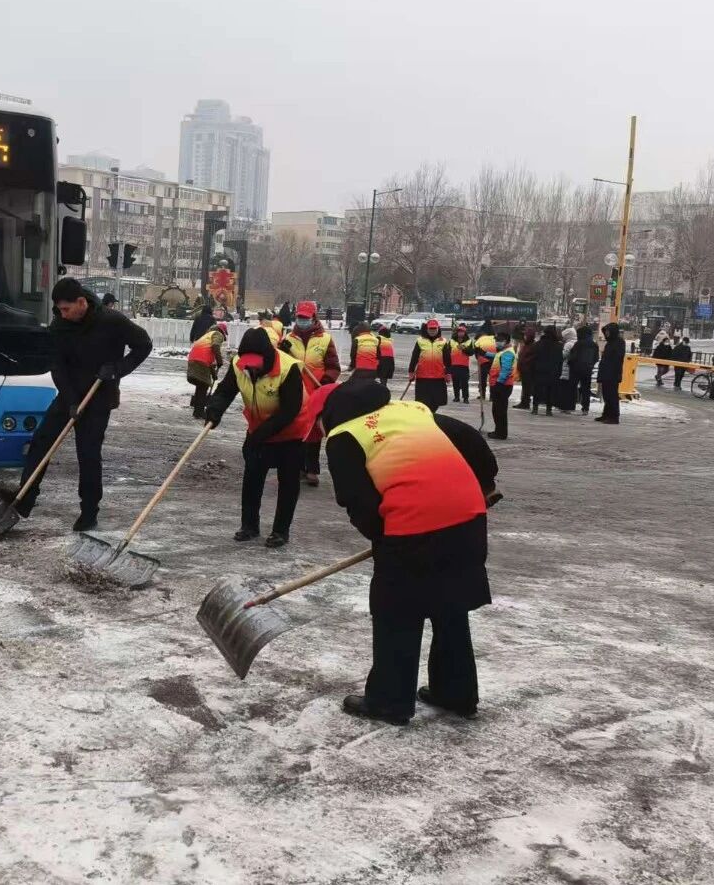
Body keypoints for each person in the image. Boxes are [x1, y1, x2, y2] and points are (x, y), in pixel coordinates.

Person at [322, 377, 499, 726]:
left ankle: (389, 702)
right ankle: (456, 694)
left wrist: (384, 537)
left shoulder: (343, 436)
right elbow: (470, 440)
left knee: (397, 612)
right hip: (468, 518)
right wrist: (483, 485)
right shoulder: (413, 411)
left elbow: (357, 501)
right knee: (451, 605)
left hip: (412, 525)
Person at [2, 278, 152, 531]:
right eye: (59, 309)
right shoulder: (60, 326)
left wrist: (118, 369)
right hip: (68, 395)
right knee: (41, 441)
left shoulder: (111, 321)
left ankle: (89, 512)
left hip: (98, 397)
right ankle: (24, 499)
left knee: (88, 453)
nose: (62, 314)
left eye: (66, 309)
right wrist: (71, 401)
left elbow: (144, 345)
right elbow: (57, 366)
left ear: (81, 302)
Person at [205, 328, 311, 548]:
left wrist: (258, 436)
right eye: (248, 363)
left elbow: (289, 411)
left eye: (255, 363)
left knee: (288, 483)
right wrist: (214, 410)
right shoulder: (239, 364)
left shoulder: (288, 368)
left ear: (267, 356)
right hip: (258, 427)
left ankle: (280, 531)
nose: (251, 368)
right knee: (252, 477)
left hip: (292, 431)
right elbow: (225, 391)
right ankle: (249, 526)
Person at [282, 301, 341, 486]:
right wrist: (281, 352)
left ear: (314, 318)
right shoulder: (289, 339)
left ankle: (312, 469)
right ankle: (298, 467)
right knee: (296, 431)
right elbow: (280, 364)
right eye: (300, 317)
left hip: (316, 391)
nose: (302, 320)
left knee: (314, 432)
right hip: (295, 392)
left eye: (306, 318)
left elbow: (333, 366)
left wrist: (326, 381)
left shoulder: (325, 339)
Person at [186, 321, 227, 419]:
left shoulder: (206, 336)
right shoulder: (217, 334)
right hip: (201, 361)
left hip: (193, 360)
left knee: (201, 385)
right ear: (222, 331)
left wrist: (213, 374)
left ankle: (197, 410)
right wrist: (220, 361)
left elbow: (208, 357)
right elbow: (215, 346)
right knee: (203, 386)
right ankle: (199, 411)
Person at [408, 319, 451, 412]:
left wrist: (448, 373)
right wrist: (411, 372)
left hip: (438, 377)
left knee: (436, 401)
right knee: (423, 401)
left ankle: (432, 414)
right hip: (423, 377)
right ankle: (426, 416)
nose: (432, 331)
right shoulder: (420, 341)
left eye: (434, 329)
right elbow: (414, 357)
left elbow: (447, 359)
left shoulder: (443, 342)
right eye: (430, 329)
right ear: (426, 329)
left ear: (438, 329)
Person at [487, 331, 517, 440]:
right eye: (496, 340)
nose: (497, 342)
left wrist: (499, 383)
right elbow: (496, 356)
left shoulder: (508, 353)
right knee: (497, 410)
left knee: (500, 411)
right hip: (500, 384)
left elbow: (506, 370)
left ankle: (501, 433)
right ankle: (499, 431)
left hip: (502, 385)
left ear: (506, 341)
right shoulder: (503, 351)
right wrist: (484, 353)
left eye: (500, 340)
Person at [530, 325, 564, 416]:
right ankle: (549, 410)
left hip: (539, 370)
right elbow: (560, 360)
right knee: (550, 391)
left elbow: (533, 358)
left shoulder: (538, 344)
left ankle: (535, 408)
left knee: (537, 389)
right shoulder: (558, 345)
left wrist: (533, 370)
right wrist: (559, 372)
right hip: (553, 371)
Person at [596, 323, 625, 423]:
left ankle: (614, 416)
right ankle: (606, 414)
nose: (607, 333)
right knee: (606, 395)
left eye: (608, 332)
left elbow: (617, 358)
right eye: (606, 332)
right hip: (606, 372)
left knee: (612, 395)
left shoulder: (619, 342)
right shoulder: (609, 343)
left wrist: (610, 369)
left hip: (613, 373)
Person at [568, 325, 599, 415]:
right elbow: (596, 358)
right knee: (586, 389)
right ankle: (585, 408)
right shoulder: (594, 345)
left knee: (572, 388)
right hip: (588, 369)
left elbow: (573, 356)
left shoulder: (578, 344)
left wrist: (571, 363)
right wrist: (591, 365)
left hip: (576, 369)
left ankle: (570, 406)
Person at [449, 324, 474, 403]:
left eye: (462, 332)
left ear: (465, 333)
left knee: (464, 383)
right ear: (457, 332)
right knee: (455, 382)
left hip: (464, 365)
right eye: (459, 331)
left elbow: (471, 352)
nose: (460, 333)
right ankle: (456, 397)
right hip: (454, 365)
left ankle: (465, 398)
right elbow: (447, 352)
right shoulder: (451, 341)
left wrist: (464, 349)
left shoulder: (469, 341)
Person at [555, 326, 578, 413]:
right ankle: (570, 406)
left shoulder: (568, 344)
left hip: (566, 369)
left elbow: (563, 355)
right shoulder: (577, 342)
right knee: (572, 389)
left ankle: (564, 406)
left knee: (565, 389)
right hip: (574, 369)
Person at [515, 325, 538, 410]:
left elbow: (531, 358)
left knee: (527, 387)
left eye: (526, 335)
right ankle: (523, 402)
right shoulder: (526, 345)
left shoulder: (533, 346)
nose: (524, 336)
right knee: (525, 387)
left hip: (528, 370)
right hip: (524, 369)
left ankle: (525, 403)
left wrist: (525, 363)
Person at [473, 321, 497, 400]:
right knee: (493, 378)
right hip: (494, 360)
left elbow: (476, 350)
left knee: (482, 379)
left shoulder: (480, 339)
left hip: (483, 361)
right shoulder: (495, 338)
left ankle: (482, 394)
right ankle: (492, 396)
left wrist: (478, 358)